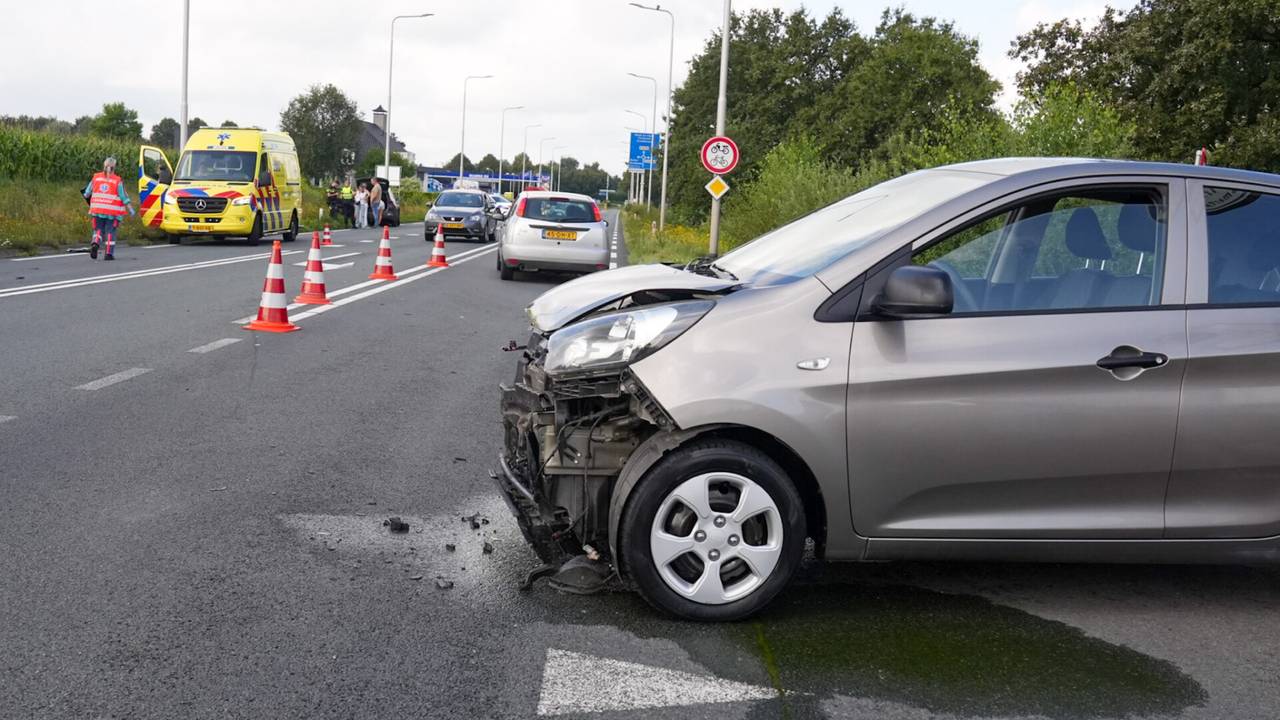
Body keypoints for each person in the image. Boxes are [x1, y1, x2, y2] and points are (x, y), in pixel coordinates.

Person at [82, 157, 135, 260]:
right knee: (110, 231)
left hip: (97, 210)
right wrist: (130, 208)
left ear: (104, 166)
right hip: (112, 212)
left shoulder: (96, 177)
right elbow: (124, 197)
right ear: (114, 167)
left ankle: (95, 243)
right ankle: (109, 254)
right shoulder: (117, 180)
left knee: (98, 230)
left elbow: (87, 193)